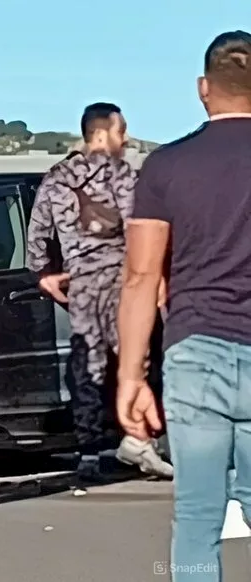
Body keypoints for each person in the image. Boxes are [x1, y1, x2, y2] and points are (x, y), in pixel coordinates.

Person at [118, 30, 251, 581]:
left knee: (198, 517)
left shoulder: (167, 167)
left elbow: (141, 275)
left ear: (203, 89)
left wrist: (131, 375)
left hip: (197, 351)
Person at [25, 103, 172, 483]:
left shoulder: (57, 178)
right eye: (121, 131)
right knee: (136, 361)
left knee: (88, 366)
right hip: (125, 283)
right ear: (102, 133)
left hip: (82, 286)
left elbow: (37, 233)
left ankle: (89, 451)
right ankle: (140, 439)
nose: (126, 139)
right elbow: (143, 228)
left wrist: (45, 274)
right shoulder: (124, 176)